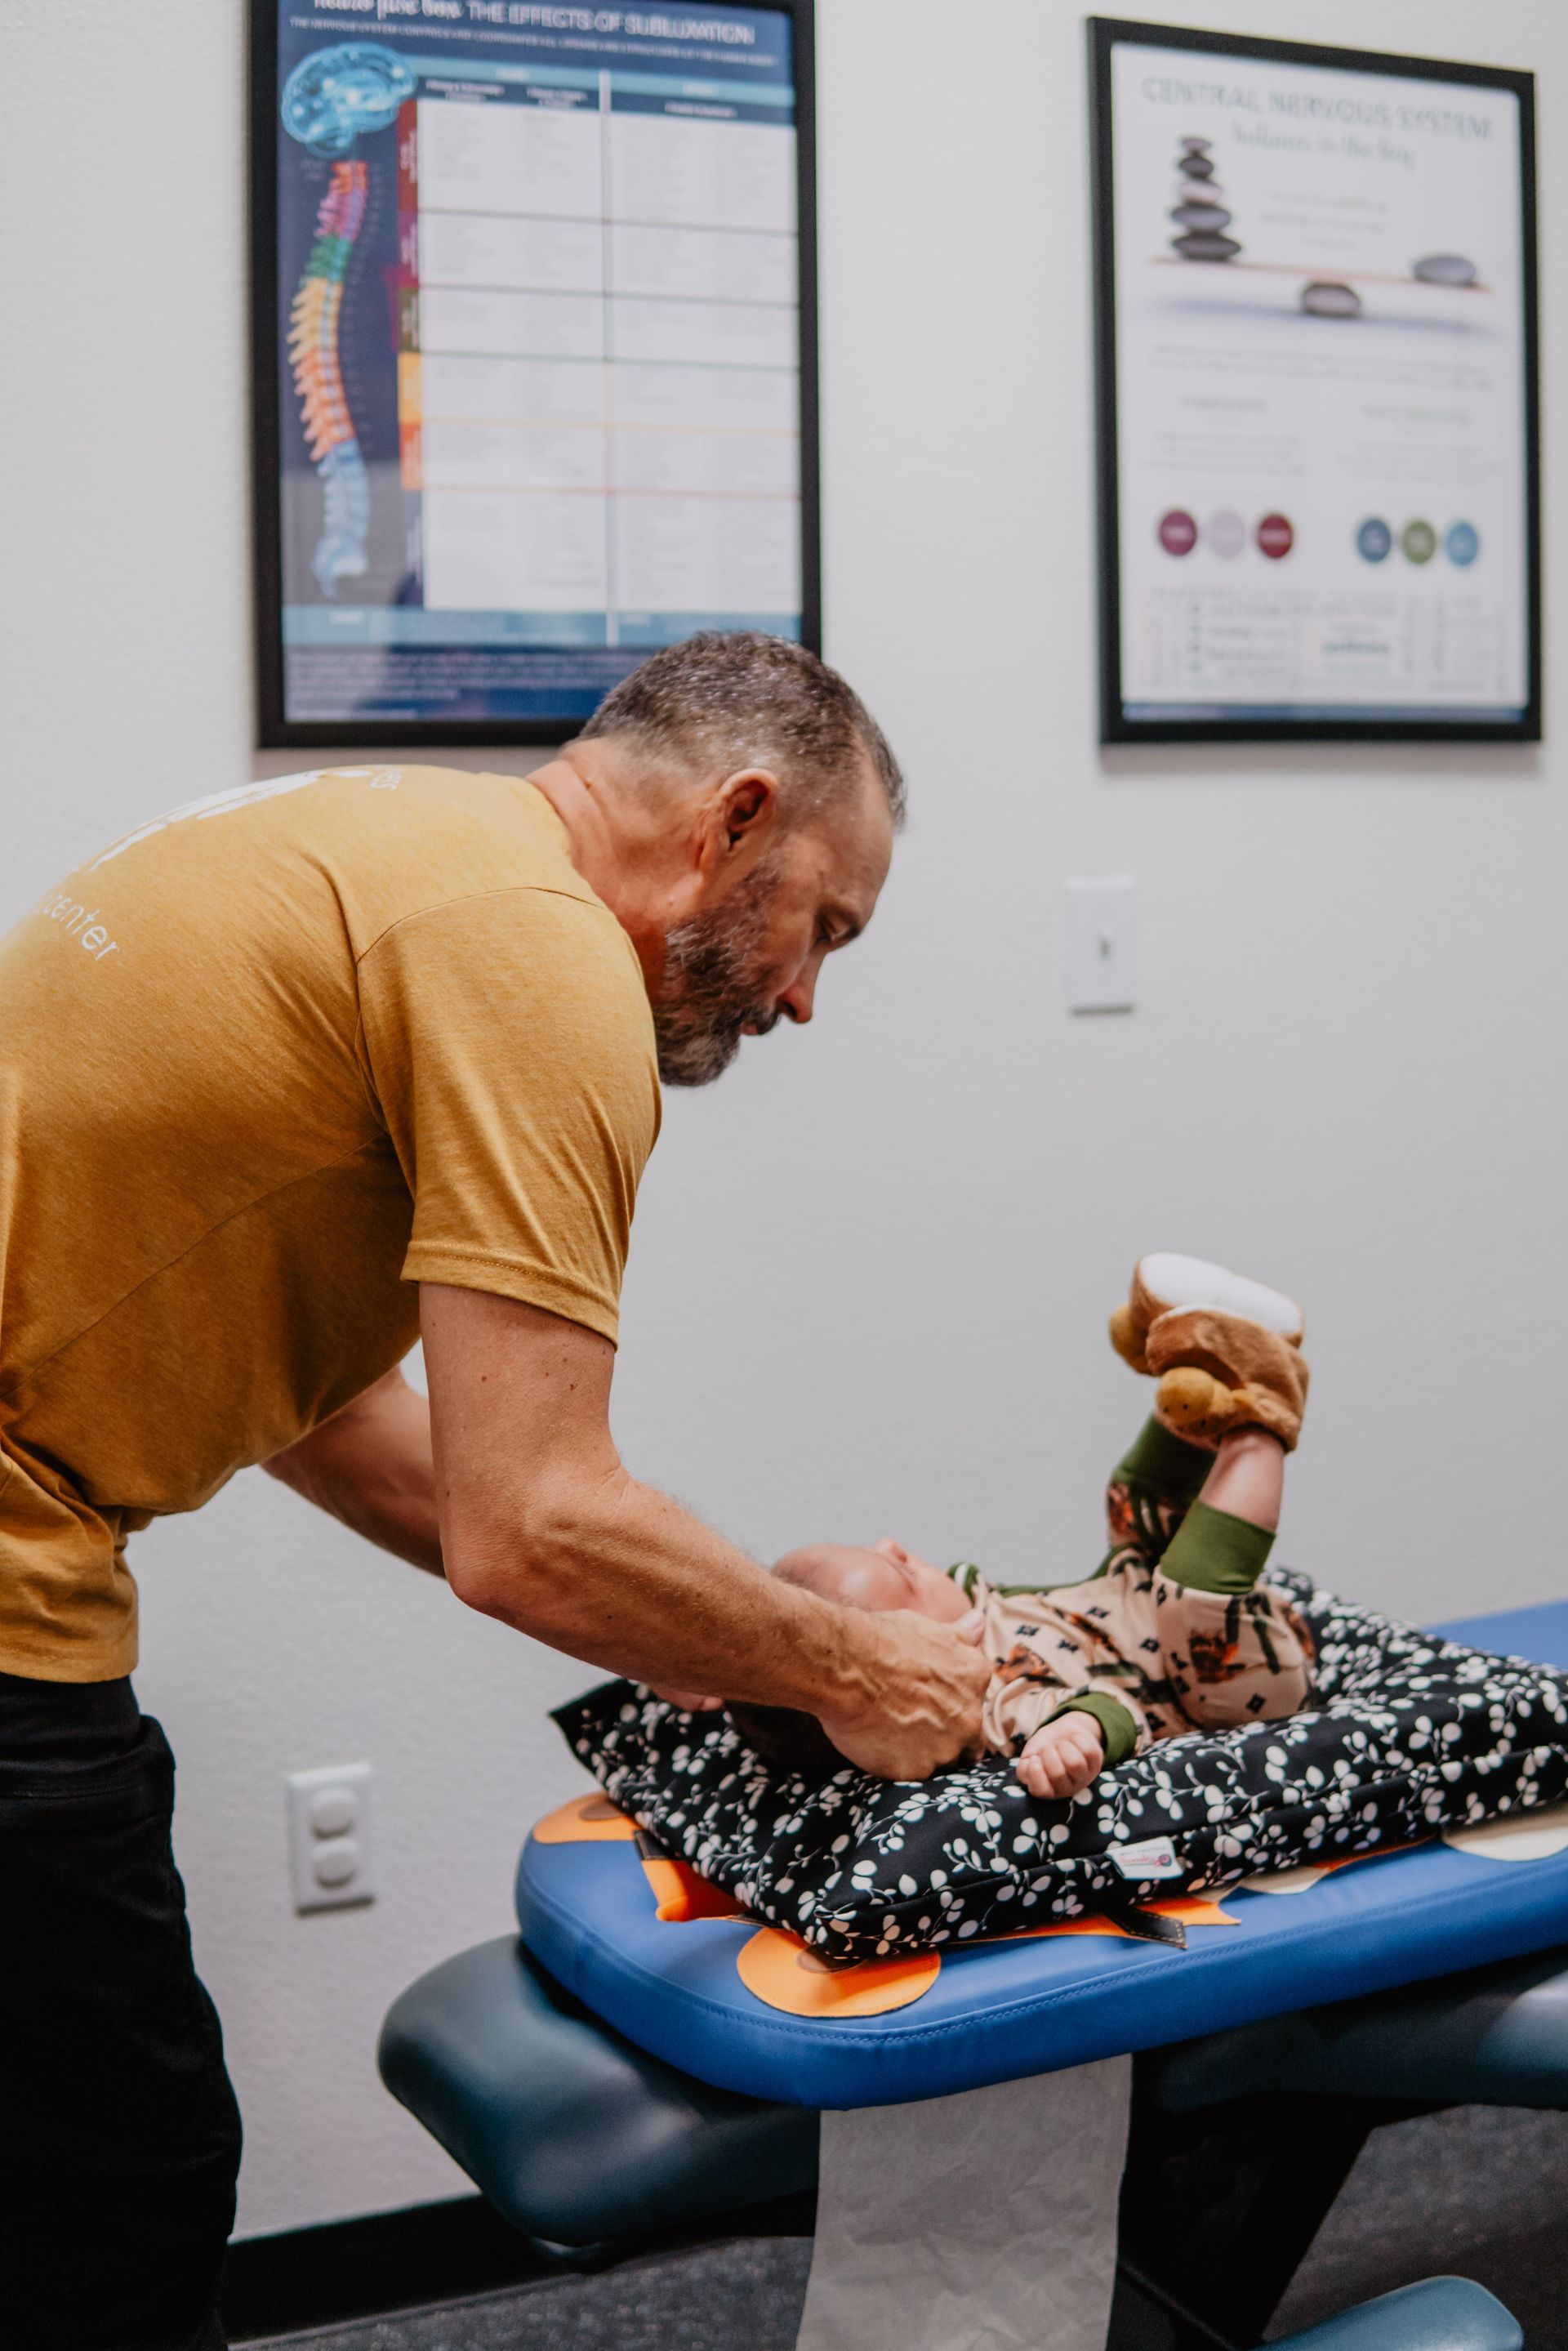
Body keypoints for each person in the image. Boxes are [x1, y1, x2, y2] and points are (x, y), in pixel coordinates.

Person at [0, 633, 991, 2351]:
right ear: (737, 819)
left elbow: (333, 1415)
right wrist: (867, 1669)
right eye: (826, 924)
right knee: (117, 2185)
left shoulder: (390, 841)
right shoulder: (540, 958)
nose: (808, 996)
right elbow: (529, 1524)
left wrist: (705, 1625)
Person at [719, 1254, 1315, 1800]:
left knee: (1132, 1502)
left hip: (1141, 1604)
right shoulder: (992, 1701)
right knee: (1195, 1584)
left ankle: (1207, 1359)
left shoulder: (971, 1606)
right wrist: (1073, 1735)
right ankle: (1265, 1402)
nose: (894, 1546)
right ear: (918, 1665)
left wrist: (718, 1672)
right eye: (897, 1574)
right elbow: (1104, 1709)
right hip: (1229, 1684)